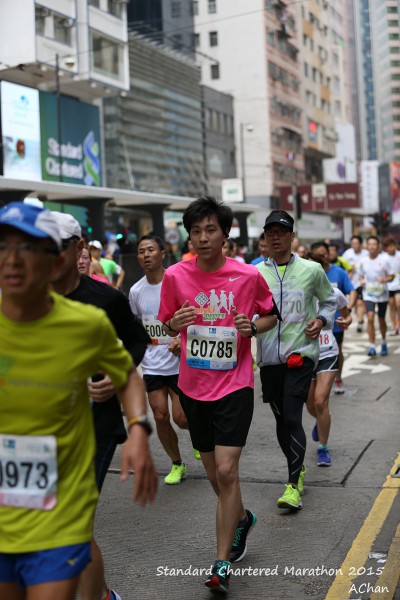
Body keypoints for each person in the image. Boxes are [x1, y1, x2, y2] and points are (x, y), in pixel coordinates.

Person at [0, 203, 157, 600]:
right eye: (3, 247)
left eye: (27, 248)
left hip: (64, 505)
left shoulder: (87, 321)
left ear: (56, 260)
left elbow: (127, 372)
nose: (12, 259)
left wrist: (138, 429)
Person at [158, 196, 277, 594]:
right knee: (214, 474)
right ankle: (241, 519)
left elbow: (270, 315)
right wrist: (175, 324)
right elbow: (165, 324)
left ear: (225, 234)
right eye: (196, 231)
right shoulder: (175, 276)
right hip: (194, 388)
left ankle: (221, 563)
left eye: (210, 230)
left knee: (227, 472)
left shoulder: (247, 275)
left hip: (235, 384)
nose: (203, 237)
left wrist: (251, 328)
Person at [51, 212, 153, 600]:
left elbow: (137, 341)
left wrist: (116, 372)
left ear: (79, 248)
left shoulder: (105, 299)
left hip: (95, 424)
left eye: (57, 247)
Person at [257, 210, 336, 510]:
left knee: (292, 416)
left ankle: (292, 486)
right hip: (269, 359)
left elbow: (329, 300)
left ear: (292, 236)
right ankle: (297, 466)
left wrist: (321, 320)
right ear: (265, 238)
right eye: (270, 232)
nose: (275, 237)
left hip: (300, 355)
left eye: (281, 232)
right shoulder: (255, 273)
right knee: (281, 421)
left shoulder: (311, 270)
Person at [129, 235, 198, 486]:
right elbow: (137, 325)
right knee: (159, 415)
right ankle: (177, 463)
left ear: (162, 253)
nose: (146, 255)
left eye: (150, 250)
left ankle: (200, 435)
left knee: (181, 418)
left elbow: (195, 316)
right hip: (152, 363)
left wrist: (181, 339)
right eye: (141, 251)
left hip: (179, 362)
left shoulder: (178, 281)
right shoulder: (136, 291)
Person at [305, 252, 352, 467]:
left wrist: (346, 321)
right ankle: (320, 420)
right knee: (310, 405)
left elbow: (346, 313)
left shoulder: (334, 292)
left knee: (320, 401)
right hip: (305, 353)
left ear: (322, 270)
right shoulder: (297, 293)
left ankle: (323, 448)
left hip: (327, 352)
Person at [310, 242, 357, 394]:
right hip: (309, 338)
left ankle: (338, 378)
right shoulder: (302, 281)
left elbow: (351, 292)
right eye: (318, 254)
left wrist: (347, 314)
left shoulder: (338, 273)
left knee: (338, 351)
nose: (322, 257)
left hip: (333, 324)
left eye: (324, 254)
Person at [359, 236, 394, 356]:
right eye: (370, 244)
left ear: (378, 246)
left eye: (374, 244)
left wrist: (384, 280)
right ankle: (372, 345)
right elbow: (361, 275)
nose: (372, 246)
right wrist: (361, 280)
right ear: (367, 246)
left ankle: (383, 341)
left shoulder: (384, 261)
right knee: (370, 317)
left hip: (382, 294)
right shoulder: (363, 261)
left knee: (381, 319)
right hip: (368, 294)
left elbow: (391, 276)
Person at [342, 235, 369, 332]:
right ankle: (359, 318)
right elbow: (342, 267)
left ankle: (360, 322)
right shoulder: (347, 254)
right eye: (353, 243)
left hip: (361, 283)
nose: (354, 245)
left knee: (360, 303)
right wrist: (350, 269)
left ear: (360, 244)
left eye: (356, 243)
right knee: (354, 304)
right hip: (350, 283)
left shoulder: (366, 254)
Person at [382, 236, 400, 335]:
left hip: (398, 284)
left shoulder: (399, 255)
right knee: (392, 306)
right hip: (388, 285)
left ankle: (399, 324)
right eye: (389, 246)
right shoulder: (383, 257)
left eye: (393, 246)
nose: (392, 248)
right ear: (386, 247)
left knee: (399, 303)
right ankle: (394, 326)